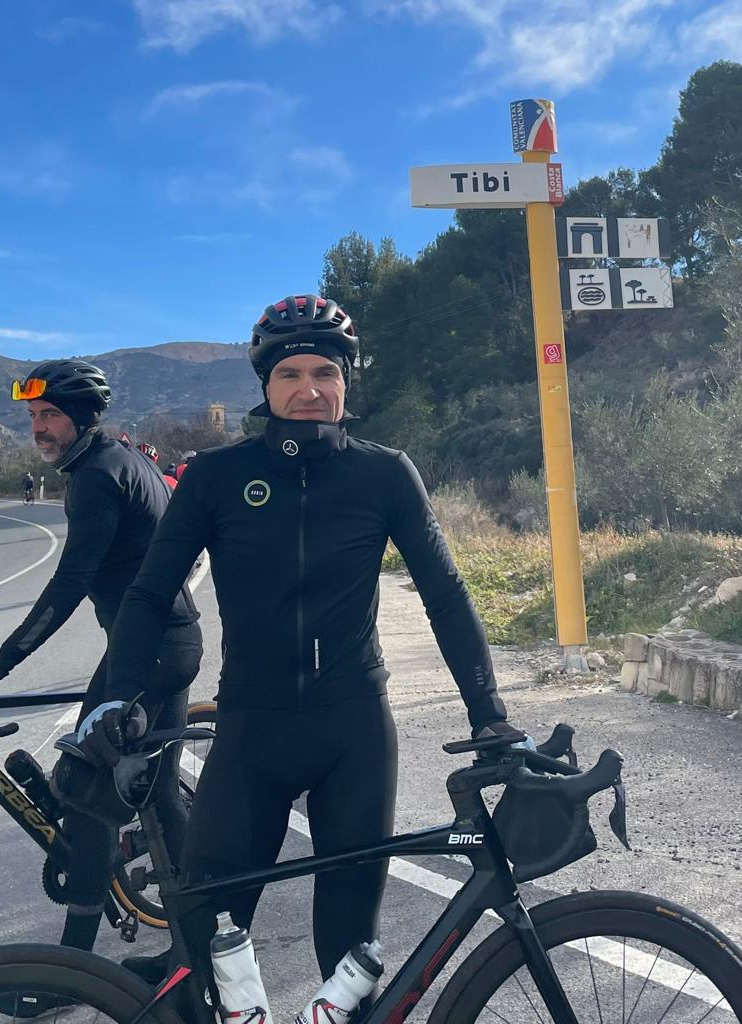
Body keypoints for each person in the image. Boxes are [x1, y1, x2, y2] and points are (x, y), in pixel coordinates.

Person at [88, 295, 520, 1002]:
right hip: (250, 731)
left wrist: (489, 713)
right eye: (290, 374)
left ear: (347, 381)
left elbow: (445, 595)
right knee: (204, 945)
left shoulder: (385, 473)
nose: (309, 389)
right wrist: (118, 697)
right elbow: (148, 594)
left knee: (349, 957)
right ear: (266, 386)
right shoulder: (215, 477)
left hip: (353, 731)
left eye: (326, 372)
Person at [0, 359, 203, 1017]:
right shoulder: (127, 459)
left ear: (80, 417)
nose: (38, 428)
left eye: (49, 415)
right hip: (165, 646)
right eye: (32, 417)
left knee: (89, 800)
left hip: (149, 654)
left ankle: (68, 977)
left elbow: (70, 582)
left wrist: (0, 663)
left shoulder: (97, 478)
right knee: (160, 801)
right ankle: (196, 949)